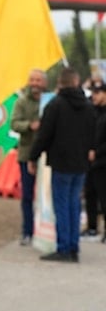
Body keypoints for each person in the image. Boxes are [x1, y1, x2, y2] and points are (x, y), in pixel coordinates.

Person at [28, 67, 95, 262]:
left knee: (62, 205)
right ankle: (73, 247)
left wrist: (33, 157)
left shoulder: (55, 105)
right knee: (75, 205)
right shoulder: (88, 106)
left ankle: (64, 248)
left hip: (61, 163)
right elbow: (93, 132)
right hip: (81, 164)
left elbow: (44, 136)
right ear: (77, 81)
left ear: (60, 82)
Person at [9, 69, 47, 246]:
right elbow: (14, 123)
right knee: (27, 196)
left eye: (38, 80)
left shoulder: (50, 101)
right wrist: (29, 125)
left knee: (46, 196)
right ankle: (28, 232)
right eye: (32, 80)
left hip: (47, 158)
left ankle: (45, 231)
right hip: (26, 155)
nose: (35, 84)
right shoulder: (21, 102)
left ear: (44, 83)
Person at [87, 83, 106, 242]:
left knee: (104, 197)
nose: (94, 95)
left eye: (98, 92)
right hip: (90, 162)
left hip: (102, 161)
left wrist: (97, 152)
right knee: (90, 195)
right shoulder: (92, 111)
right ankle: (92, 227)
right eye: (93, 92)